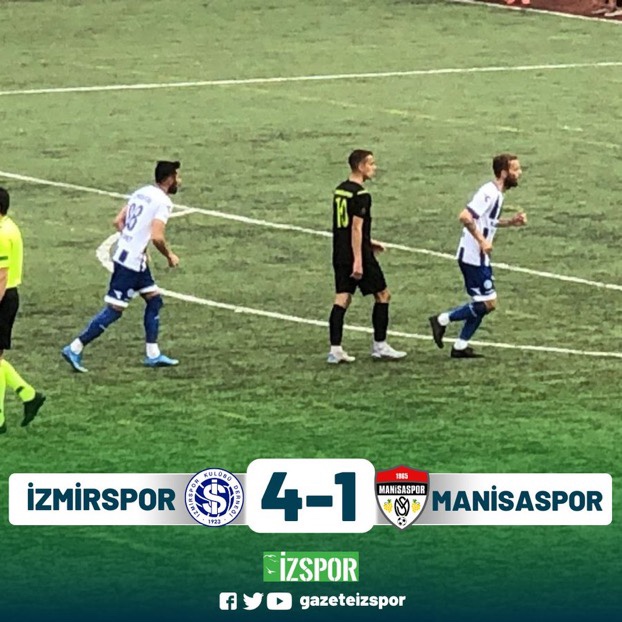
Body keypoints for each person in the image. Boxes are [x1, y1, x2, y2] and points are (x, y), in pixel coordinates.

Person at [62, 161, 181, 373]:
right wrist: (169, 255)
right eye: (177, 176)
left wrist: (133, 242)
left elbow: (118, 221)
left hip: (132, 258)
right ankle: (75, 347)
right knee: (114, 310)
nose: (179, 181)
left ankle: (153, 354)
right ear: (169, 178)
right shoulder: (163, 202)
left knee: (154, 300)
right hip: (130, 264)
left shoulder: (141, 192)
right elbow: (157, 236)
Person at [429, 154, 526, 358]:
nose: (520, 173)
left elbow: (487, 221)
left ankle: (460, 346)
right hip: (473, 257)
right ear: (504, 173)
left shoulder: (497, 194)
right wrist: (482, 241)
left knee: (484, 302)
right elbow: (465, 216)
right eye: (515, 169)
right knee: (488, 303)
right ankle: (442, 320)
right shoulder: (489, 193)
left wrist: (511, 222)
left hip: (479, 257)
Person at [327, 150, 406, 364]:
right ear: (360, 166)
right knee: (383, 294)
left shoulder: (340, 190)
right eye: (371, 164)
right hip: (357, 254)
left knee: (342, 298)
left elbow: (343, 226)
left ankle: (335, 349)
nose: (374, 168)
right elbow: (355, 228)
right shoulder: (361, 195)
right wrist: (359, 260)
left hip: (340, 251)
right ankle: (380, 345)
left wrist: (369, 241)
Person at [0, 187, 46, 434]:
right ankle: (28, 396)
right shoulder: (9, 226)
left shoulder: (2, 233)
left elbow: (1, 275)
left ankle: (3, 415)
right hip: (8, 296)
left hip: (3, 297)